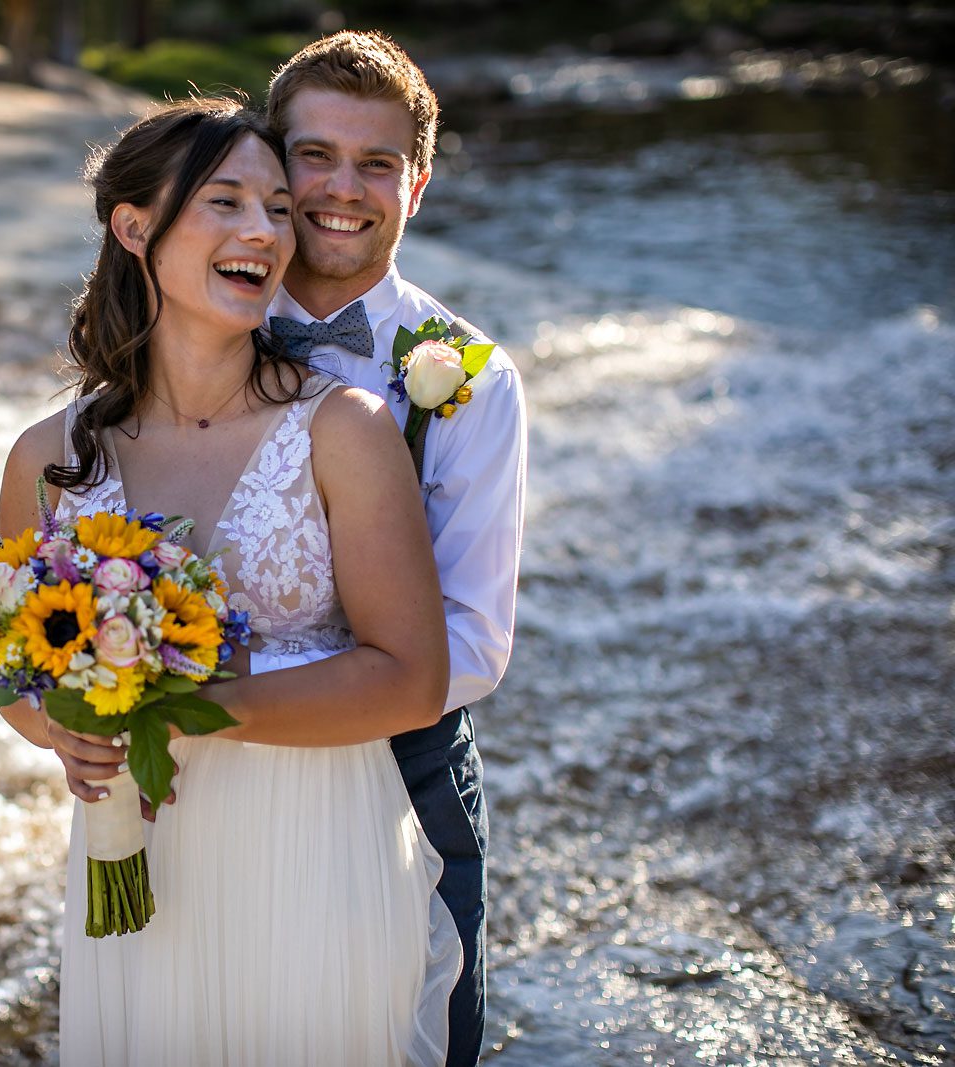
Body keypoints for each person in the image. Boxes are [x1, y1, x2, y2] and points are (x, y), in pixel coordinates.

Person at [0, 97, 462, 1064]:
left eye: (279, 208)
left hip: (313, 849)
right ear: (134, 227)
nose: (264, 232)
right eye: (227, 202)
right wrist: (60, 730)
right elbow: (17, 669)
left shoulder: (348, 430)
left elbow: (411, 677)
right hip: (137, 851)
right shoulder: (52, 457)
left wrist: (187, 705)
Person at [259, 31, 529, 1066]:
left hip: (401, 775)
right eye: (313, 155)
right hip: (210, 771)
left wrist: (279, 712)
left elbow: (473, 640)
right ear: (269, 163)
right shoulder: (193, 332)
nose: (341, 187)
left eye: (376, 163)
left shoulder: (467, 374)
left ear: (415, 184)